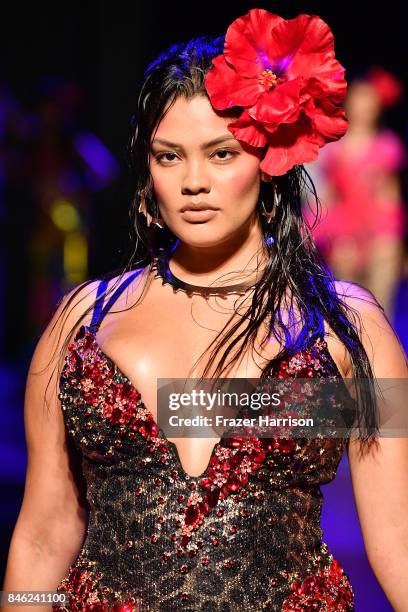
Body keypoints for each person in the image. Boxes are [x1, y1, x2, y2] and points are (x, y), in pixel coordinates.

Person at [3, 8, 408, 612]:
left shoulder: (351, 328)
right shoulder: (81, 322)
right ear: (148, 174)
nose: (194, 181)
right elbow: (41, 537)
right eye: (170, 157)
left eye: (221, 154)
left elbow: (398, 538)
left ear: (267, 164)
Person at [304, 66, 406, 321]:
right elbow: (326, 195)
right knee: (348, 304)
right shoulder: (334, 145)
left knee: (381, 301)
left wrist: (387, 238)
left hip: (377, 227)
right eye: (359, 99)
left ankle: (383, 351)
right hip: (343, 228)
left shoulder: (387, 146)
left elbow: (389, 198)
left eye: (369, 100)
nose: (363, 106)